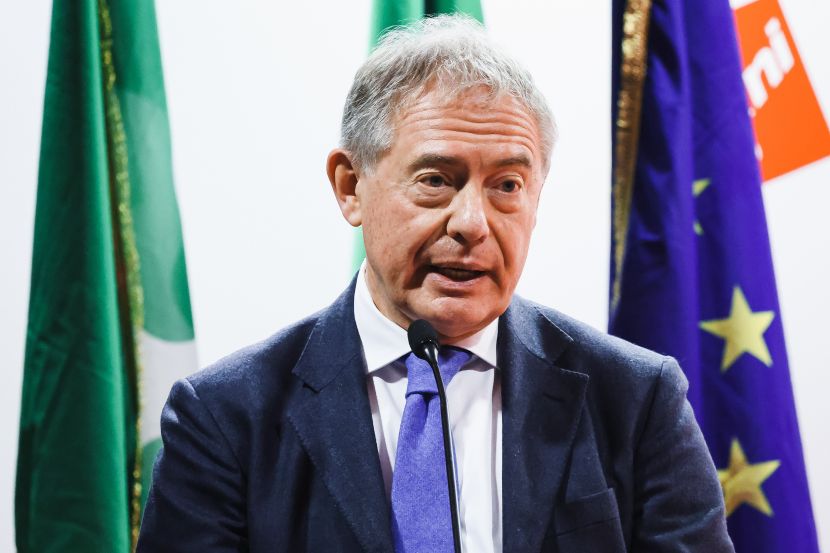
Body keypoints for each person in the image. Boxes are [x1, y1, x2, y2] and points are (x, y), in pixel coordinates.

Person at [137, 14, 734, 553]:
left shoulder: (636, 400)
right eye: (435, 180)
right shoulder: (225, 418)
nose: (472, 223)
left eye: (507, 186)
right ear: (350, 186)